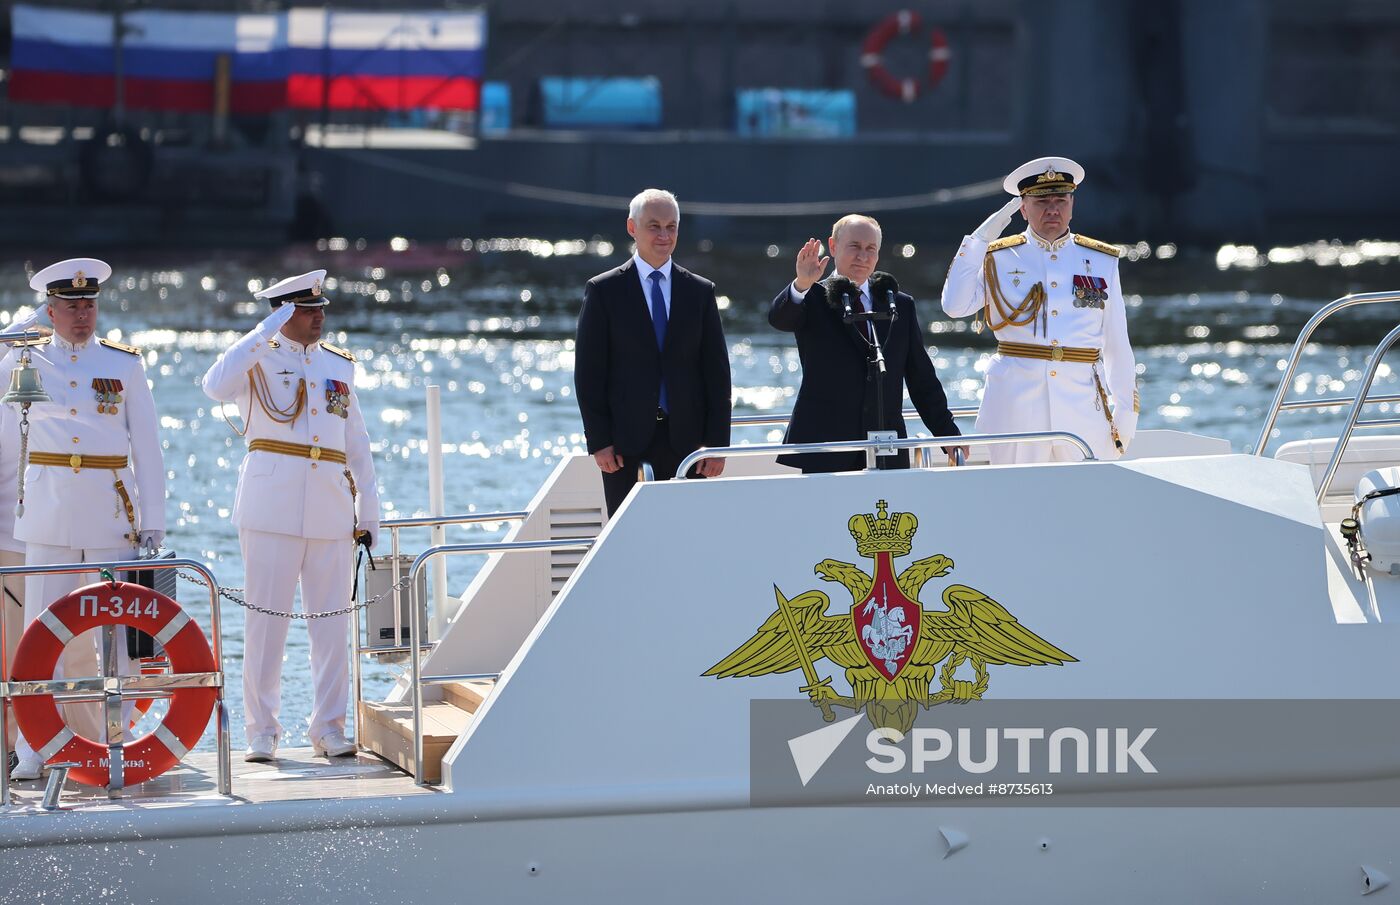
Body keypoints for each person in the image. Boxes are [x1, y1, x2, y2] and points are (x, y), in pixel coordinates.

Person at [202, 270, 379, 762]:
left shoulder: (338, 367)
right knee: (266, 624)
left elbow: (357, 445)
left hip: (329, 508)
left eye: (321, 308)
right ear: (282, 313)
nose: (319, 316)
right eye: (307, 309)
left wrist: (370, 511)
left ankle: (328, 727)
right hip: (270, 508)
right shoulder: (254, 359)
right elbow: (214, 386)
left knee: (331, 625)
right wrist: (264, 331)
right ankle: (262, 730)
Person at [3, 259, 165, 781]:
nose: (81, 315)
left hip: (109, 513)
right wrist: (19, 328)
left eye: (88, 305)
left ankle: (108, 741)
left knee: (112, 639)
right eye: (70, 306)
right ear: (49, 310)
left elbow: (148, 448)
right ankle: (33, 745)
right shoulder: (21, 361)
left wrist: (153, 522)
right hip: (47, 515)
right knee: (40, 636)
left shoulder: (124, 365)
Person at [941, 156, 1138, 464]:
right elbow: (954, 306)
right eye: (1041, 201)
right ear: (1022, 208)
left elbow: (1117, 345)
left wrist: (1126, 413)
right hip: (1016, 409)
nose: (1052, 210)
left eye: (1061, 200)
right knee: (1013, 502)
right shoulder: (998, 257)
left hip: (1082, 409)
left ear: (1072, 204)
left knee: (1086, 504)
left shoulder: (1101, 259)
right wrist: (979, 240)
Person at [575, 189, 732, 515]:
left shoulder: (700, 292)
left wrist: (717, 446)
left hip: (689, 445)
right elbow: (589, 373)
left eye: (671, 226)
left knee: (689, 537)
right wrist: (599, 441)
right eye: (654, 226)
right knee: (630, 543)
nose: (664, 235)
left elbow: (717, 375)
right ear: (632, 228)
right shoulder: (604, 291)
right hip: (623, 445)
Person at [769, 214, 963, 474]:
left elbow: (921, 377)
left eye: (870, 249)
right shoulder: (811, 297)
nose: (863, 256)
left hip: (886, 443)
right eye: (854, 246)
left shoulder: (899, 304)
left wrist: (947, 433)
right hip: (826, 447)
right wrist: (802, 283)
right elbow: (780, 318)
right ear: (834, 246)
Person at [0, 309, 41, 772]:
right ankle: (11, 745)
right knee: (11, 650)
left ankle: (71, 740)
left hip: (60, 540)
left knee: (70, 653)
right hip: (11, 539)